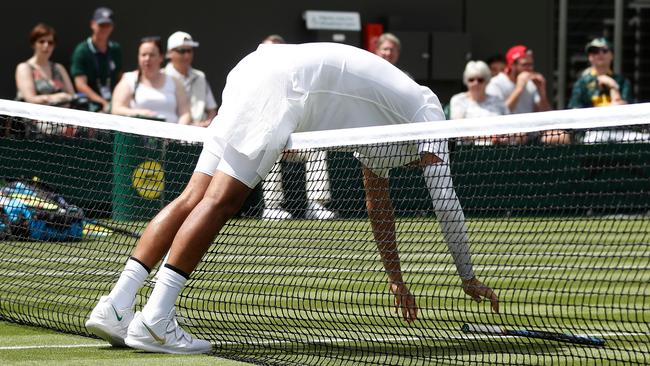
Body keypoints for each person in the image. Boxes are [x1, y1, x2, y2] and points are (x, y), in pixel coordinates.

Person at [85, 42, 499, 354]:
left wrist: (395, 279)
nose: (424, 166)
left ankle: (116, 306)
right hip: (283, 86)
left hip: (257, 66)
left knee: (193, 196)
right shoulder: (429, 117)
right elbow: (445, 203)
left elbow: (378, 207)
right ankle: (156, 319)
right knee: (222, 201)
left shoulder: (387, 126)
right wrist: (467, 275)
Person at [259, 34, 336, 220]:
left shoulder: (297, 79)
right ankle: (272, 207)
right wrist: (280, 141)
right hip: (269, 141)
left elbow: (305, 111)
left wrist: (293, 139)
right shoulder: (259, 81)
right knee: (270, 150)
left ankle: (316, 205)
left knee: (316, 149)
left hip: (296, 141)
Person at [486, 45, 569, 144]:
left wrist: (542, 92)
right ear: (512, 65)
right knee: (521, 135)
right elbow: (501, 113)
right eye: (525, 65)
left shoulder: (531, 84)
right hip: (506, 135)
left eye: (531, 64)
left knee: (562, 137)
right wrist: (519, 88)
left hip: (531, 134)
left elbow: (546, 116)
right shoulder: (496, 83)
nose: (529, 69)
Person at [111, 37, 191, 124]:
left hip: (170, 134)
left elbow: (185, 113)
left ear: (161, 57)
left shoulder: (174, 81)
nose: (147, 59)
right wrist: (139, 113)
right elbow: (116, 109)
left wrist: (178, 132)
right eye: (143, 55)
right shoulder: (129, 79)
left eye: (152, 55)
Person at [70, 7, 123, 112]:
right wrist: (103, 103)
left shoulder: (115, 49)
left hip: (114, 104)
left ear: (112, 27)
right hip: (91, 107)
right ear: (92, 24)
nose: (104, 29)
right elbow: (80, 85)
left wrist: (117, 102)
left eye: (108, 25)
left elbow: (120, 77)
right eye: (101, 25)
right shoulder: (82, 50)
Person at [164, 31, 218, 127]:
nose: (187, 55)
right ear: (169, 53)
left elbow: (212, 110)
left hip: (199, 135)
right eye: (182, 51)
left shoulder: (200, 76)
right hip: (169, 134)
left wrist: (207, 124)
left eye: (189, 51)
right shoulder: (162, 77)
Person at [15, 23, 76, 106]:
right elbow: (30, 99)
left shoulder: (59, 68)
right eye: (41, 41)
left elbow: (72, 95)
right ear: (33, 44)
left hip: (61, 116)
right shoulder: (24, 67)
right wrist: (55, 97)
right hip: (34, 117)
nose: (46, 45)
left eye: (50, 42)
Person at [449, 60, 507, 145]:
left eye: (480, 80)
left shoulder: (497, 100)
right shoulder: (458, 100)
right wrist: (489, 137)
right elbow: (459, 129)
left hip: (497, 150)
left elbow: (506, 125)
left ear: (487, 81)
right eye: (471, 79)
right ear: (466, 81)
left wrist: (504, 138)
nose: (476, 83)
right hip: (467, 151)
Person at [568, 37, 632, 108]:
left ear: (612, 55)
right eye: (595, 51)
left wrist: (613, 86)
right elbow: (575, 110)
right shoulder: (581, 84)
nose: (600, 53)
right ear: (589, 56)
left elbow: (626, 110)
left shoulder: (622, 82)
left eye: (604, 50)